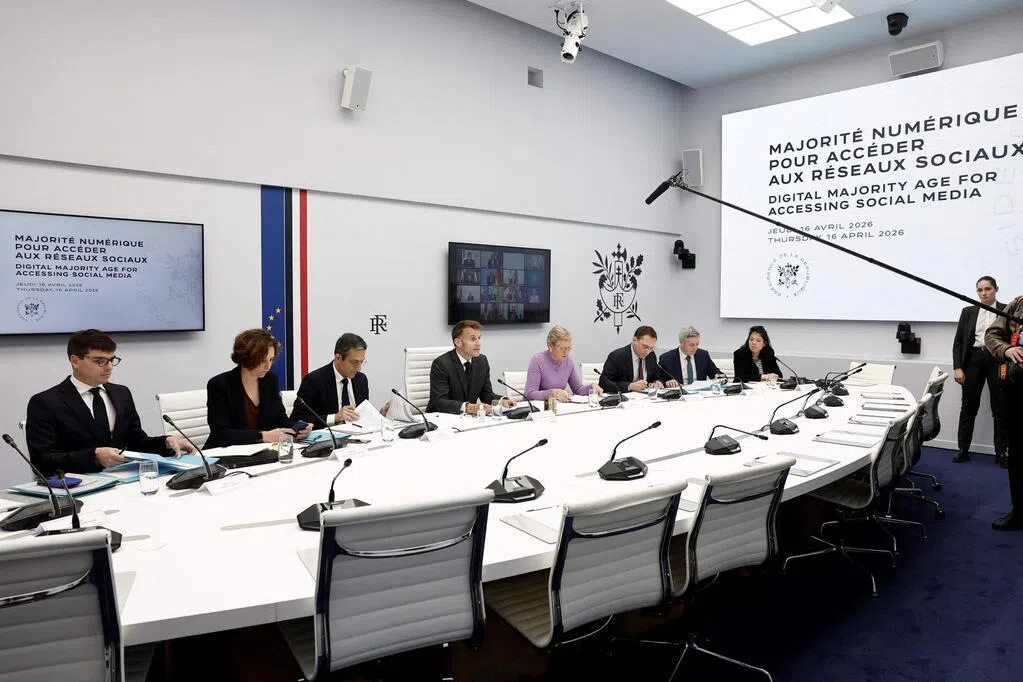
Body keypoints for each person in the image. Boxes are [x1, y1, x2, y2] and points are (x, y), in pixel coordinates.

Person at [26, 329, 195, 476]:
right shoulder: (46, 402)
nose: (108, 367)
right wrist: (94, 456)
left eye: (111, 360)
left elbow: (136, 442)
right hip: (78, 484)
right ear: (75, 361)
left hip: (124, 480)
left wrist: (166, 442)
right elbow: (41, 461)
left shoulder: (121, 394)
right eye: (100, 361)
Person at [206, 329, 312, 448]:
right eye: (262, 361)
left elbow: (280, 418)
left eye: (271, 359)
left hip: (261, 450)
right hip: (224, 451)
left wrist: (296, 427)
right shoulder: (220, 385)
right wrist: (262, 436)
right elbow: (221, 434)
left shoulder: (270, 380)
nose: (268, 366)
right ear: (246, 358)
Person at [953, 276, 1008, 466]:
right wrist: (958, 367)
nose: (984, 293)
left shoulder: (1006, 310)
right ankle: (962, 449)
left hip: (997, 360)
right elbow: (958, 342)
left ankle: (1001, 453)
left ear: (996, 289)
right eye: (980, 290)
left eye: (988, 289)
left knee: (1000, 408)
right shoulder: (968, 311)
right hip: (973, 360)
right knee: (968, 407)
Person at [291, 333, 389, 427]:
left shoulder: (361, 379)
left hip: (358, 436)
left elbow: (360, 415)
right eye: (354, 362)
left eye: (361, 362)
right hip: (329, 437)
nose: (359, 368)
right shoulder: (314, 381)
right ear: (338, 358)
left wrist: (379, 417)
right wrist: (335, 417)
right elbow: (297, 419)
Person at [984, 295, 1023, 530]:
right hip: (1016, 387)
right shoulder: (1019, 303)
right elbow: (991, 335)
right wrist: (1007, 349)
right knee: (1017, 452)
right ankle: (1019, 511)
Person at [428, 320, 515, 414]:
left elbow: (486, 394)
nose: (478, 343)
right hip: (443, 417)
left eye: (479, 338)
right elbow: (439, 401)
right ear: (458, 342)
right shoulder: (441, 364)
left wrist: (501, 401)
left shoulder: (482, 361)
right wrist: (468, 408)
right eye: (473, 339)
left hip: (469, 418)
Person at [525, 326, 603, 402]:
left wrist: (591, 387)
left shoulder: (568, 361)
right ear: (550, 346)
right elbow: (529, 394)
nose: (566, 352)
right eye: (562, 349)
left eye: (569, 348)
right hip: (541, 407)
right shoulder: (537, 360)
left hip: (559, 406)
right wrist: (552, 393)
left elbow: (578, 389)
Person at [599, 325, 663, 394]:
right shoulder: (617, 356)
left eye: (651, 348)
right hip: (624, 397)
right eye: (645, 347)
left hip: (645, 397)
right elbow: (603, 383)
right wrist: (629, 386)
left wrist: (657, 382)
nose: (648, 352)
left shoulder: (651, 355)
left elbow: (656, 375)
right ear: (634, 340)